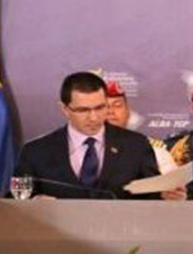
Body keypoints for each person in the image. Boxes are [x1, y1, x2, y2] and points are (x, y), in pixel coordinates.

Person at [13, 72, 166, 199]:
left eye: (100, 108)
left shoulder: (136, 146)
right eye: (83, 110)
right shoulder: (35, 152)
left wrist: (166, 196)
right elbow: (16, 199)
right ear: (65, 109)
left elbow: (153, 197)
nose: (94, 117)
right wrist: (35, 201)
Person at [105, 80, 178, 174]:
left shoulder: (154, 151)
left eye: (117, 105)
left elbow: (173, 181)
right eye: (104, 106)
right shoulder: (89, 151)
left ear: (128, 112)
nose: (110, 111)